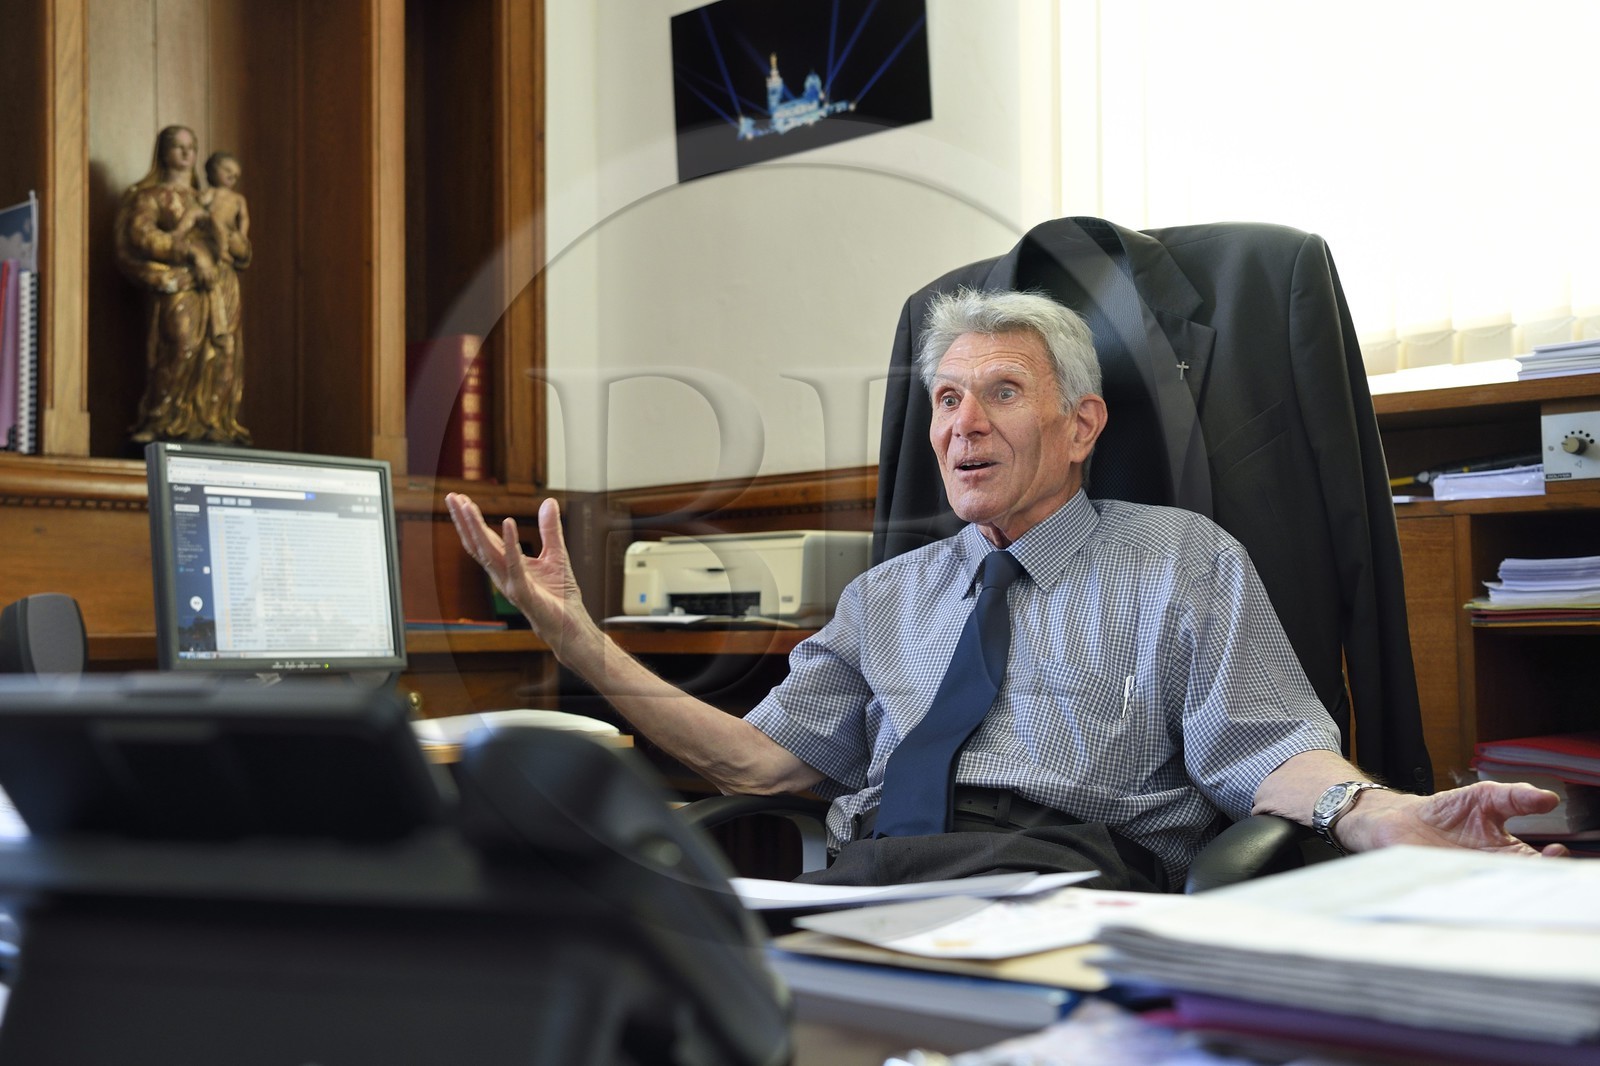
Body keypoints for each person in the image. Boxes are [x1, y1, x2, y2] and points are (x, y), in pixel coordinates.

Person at [446, 289, 1566, 891]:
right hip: (871, 880)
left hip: (1059, 879)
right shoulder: (889, 597)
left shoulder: (1179, 558)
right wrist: (581, 642)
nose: (959, 424)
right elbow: (758, 762)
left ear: (1082, 425)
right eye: (942, 399)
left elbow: (1271, 750)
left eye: (998, 393)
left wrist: (1379, 819)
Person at [115, 126, 250, 445]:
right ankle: (160, 419)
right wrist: (189, 251)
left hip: (219, 285)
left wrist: (236, 244)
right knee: (181, 346)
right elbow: (141, 236)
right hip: (182, 283)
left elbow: (241, 245)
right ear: (163, 152)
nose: (187, 154)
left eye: (192, 147)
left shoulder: (210, 198)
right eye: (178, 147)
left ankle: (212, 422)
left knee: (223, 351)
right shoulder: (150, 196)